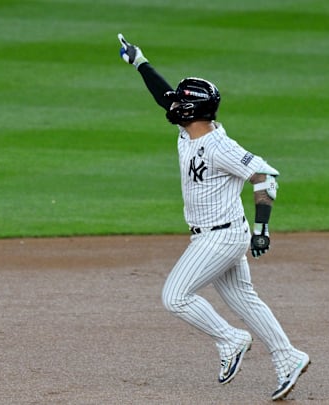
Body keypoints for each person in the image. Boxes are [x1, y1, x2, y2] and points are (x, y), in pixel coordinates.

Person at [117, 33, 310, 401]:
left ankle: (231, 340)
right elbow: (165, 95)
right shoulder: (187, 131)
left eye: (180, 103)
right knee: (245, 301)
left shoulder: (219, 146)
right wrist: (139, 61)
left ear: (192, 111)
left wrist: (262, 229)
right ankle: (288, 357)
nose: (172, 105)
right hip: (214, 233)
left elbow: (265, 177)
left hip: (221, 237)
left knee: (175, 297)